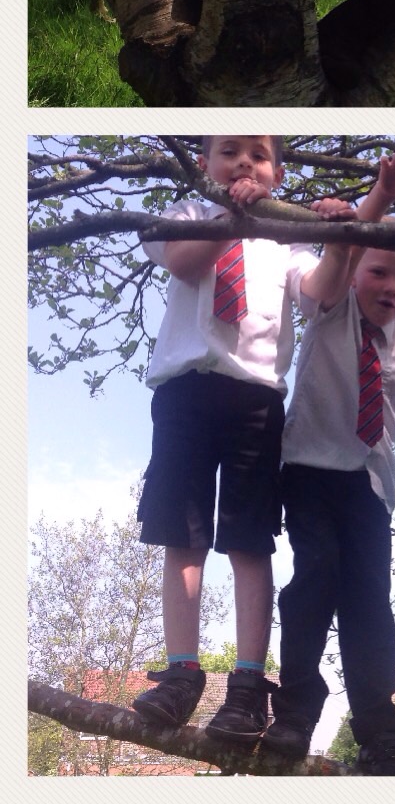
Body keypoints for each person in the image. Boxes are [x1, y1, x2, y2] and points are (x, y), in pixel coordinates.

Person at [131, 136, 352, 742]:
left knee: (250, 540)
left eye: (258, 155)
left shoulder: (287, 237)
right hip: (184, 390)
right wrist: (233, 212)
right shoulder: (186, 215)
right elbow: (184, 263)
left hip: (255, 398)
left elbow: (323, 293)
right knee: (184, 535)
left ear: (278, 174)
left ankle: (249, 688)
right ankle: (182, 675)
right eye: (229, 152)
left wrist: (342, 234)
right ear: (205, 164)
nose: (244, 164)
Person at [263, 153, 395, 773]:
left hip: (370, 486)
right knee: (314, 577)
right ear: (358, 273)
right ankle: (297, 710)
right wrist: (381, 193)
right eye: (380, 273)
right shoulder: (330, 307)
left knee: (369, 603)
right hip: (306, 470)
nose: (391, 289)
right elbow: (348, 245)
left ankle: (379, 733)